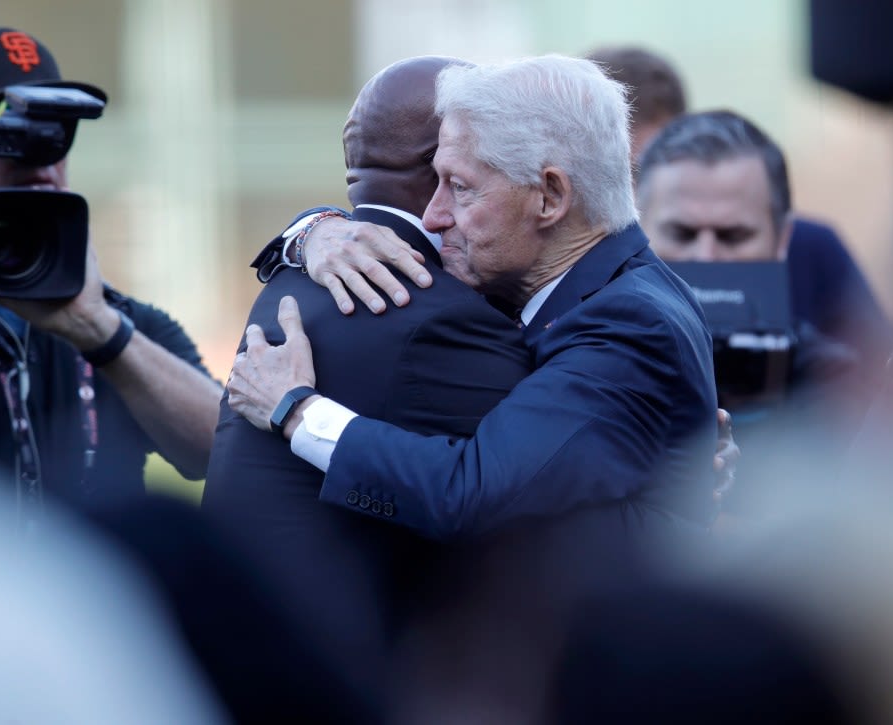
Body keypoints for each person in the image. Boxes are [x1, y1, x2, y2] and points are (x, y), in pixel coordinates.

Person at [228, 54, 718, 539]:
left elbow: (472, 493)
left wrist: (295, 411)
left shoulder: (628, 323)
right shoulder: (590, 283)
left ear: (549, 197)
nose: (435, 216)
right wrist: (315, 229)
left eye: (459, 187)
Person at [202, 55, 532, 706]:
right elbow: (551, 478)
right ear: (445, 159)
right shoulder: (431, 314)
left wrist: (310, 227)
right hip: (327, 682)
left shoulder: (304, 273)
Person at [0, 28, 221, 522]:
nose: (39, 158)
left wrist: (101, 334)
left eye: (58, 132)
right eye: (5, 135)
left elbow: (225, 454)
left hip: (89, 598)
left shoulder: (118, 320)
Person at [584, 44, 893, 372]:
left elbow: (886, 389)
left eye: (647, 168)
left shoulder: (810, 248)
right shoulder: (570, 273)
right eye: (615, 176)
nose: (707, 254)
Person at [635, 109, 864, 514]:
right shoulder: (591, 371)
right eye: (681, 234)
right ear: (637, 233)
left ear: (782, 239)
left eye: (733, 236)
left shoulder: (841, 393)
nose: (705, 258)